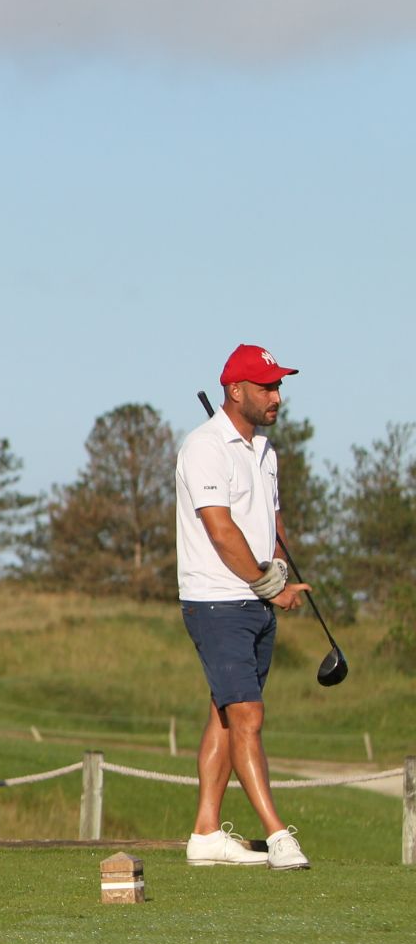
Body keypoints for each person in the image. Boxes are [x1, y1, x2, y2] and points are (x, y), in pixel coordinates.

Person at [176, 344, 312, 870]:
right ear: (235, 390)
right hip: (217, 601)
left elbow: (270, 523)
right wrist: (266, 584)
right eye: (266, 387)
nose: (276, 396)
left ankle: (206, 833)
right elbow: (220, 529)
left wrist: (281, 573)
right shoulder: (204, 447)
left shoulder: (265, 451)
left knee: (227, 714)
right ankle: (278, 836)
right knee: (248, 714)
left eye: (278, 386)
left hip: (253, 600)